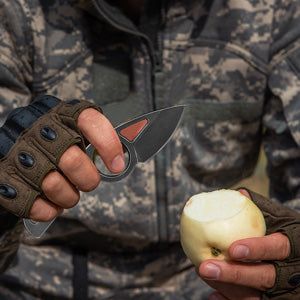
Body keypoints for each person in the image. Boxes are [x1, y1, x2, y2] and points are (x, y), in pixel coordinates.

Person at [0, 0, 300, 299]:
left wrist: (290, 256)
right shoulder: (14, 11)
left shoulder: (276, 9)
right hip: (37, 281)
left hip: (212, 285)